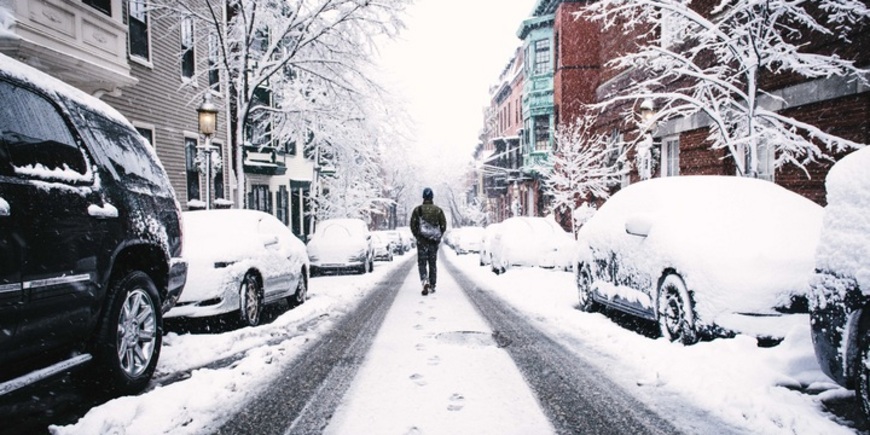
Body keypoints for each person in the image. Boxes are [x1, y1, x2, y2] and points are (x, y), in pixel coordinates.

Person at [410, 187, 447, 296]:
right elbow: (443, 225)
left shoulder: (418, 210)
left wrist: (418, 236)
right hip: (433, 242)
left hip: (422, 242)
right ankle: (432, 284)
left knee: (422, 263)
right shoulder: (438, 210)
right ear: (432, 197)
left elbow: (413, 225)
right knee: (432, 263)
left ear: (423, 197)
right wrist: (438, 236)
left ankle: (424, 280)